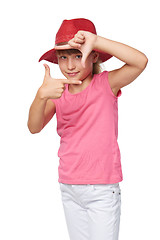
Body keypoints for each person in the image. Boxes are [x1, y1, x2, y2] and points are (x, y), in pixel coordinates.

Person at [27, 18, 148, 240]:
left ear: (94, 56)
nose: (70, 65)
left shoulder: (106, 84)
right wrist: (40, 95)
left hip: (101, 188)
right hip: (69, 186)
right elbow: (34, 127)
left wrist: (96, 40)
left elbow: (140, 62)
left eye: (77, 55)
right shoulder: (57, 92)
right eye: (63, 57)